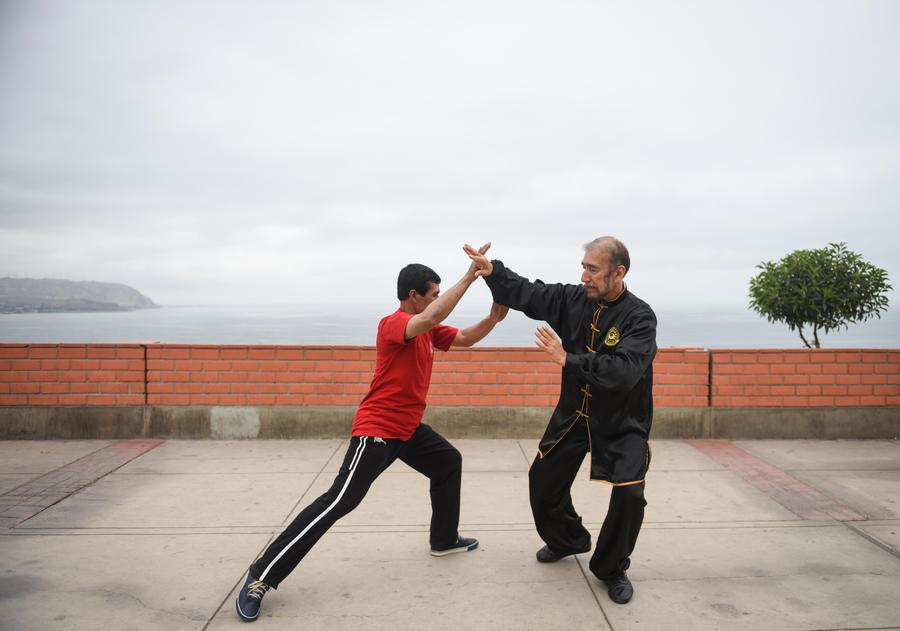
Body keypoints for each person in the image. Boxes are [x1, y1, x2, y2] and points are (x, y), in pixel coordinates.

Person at [236, 244, 508, 622]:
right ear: (414, 296)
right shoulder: (394, 324)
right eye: (431, 293)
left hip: (408, 429)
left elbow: (463, 338)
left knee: (448, 462)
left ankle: (444, 540)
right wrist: (469, 277)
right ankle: (260, 576)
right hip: (377, 429)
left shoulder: (428, 331)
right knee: (338, 501)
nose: (434, 299)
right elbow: (429, 319)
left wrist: (493, 319)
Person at [465, 237, 656, 605]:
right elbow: (531, 293)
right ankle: (568, 539)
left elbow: (624, 372)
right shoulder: (573, 299)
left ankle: (611, 567)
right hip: (574, 413)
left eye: (593, 269)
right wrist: (494, 272)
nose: (584, 276)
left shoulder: (640, 317)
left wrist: (568, 359)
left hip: (622, 421)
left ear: (619, 272)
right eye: (583, 267)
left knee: (630, 494)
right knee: (542, 479)